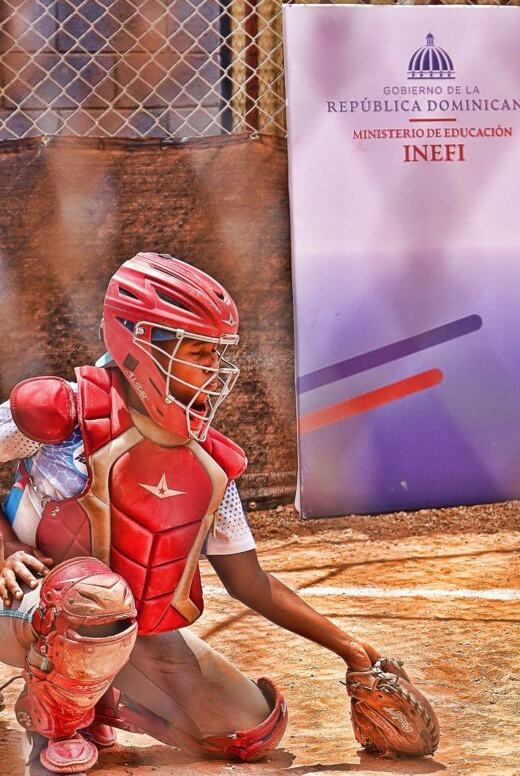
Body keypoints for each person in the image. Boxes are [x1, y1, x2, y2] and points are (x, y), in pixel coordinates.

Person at [0, 253, 438, 774]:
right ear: (143, 344)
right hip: (20, 608)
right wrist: (7, 549)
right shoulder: (64, 412)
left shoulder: (208, 462)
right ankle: (57, 726)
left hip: (116, 629)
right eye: (200, 351)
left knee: (248, 730)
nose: (215, 367)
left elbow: (250, 581)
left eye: (217, 352)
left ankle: (97, 699)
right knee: (95, 595)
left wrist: (351, 650)